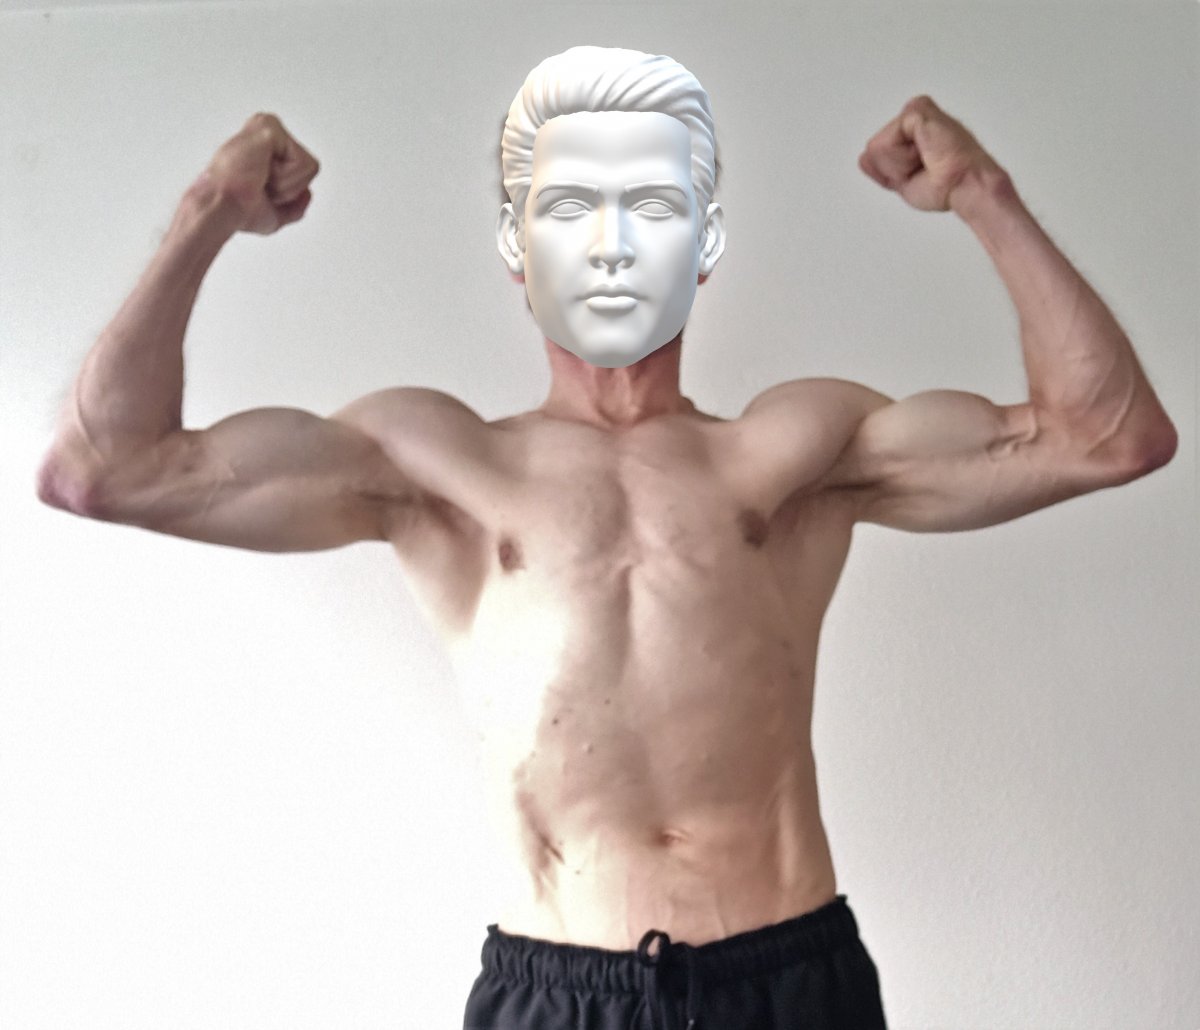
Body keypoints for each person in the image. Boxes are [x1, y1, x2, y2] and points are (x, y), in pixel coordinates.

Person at [35, 44, 1176, 1030]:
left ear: (705, 240)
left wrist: (982, 191)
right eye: (570, 206)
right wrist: (207, 212)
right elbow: (104, 469)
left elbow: (1108, 435)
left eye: (653, 207)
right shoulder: (434, 463)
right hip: (555, 990)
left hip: (787, 979)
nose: (613, 243)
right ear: (516, 243)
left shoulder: (797, 451)